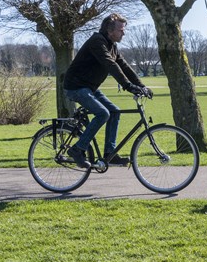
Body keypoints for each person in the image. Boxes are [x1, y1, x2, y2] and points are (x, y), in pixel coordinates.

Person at [63, 13, 151, 169]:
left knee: (114, 112)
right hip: (76, 87)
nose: (124, 32)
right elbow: (110, 65)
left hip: (89, 88)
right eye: (121, 30)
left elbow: (124, 66)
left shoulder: (112, 46)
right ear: (110, 31)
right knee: (103, 113)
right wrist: (128, 86)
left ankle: (109, 154)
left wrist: (141, 86)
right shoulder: (97, 42)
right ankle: (77, 149)